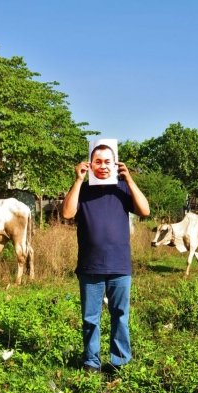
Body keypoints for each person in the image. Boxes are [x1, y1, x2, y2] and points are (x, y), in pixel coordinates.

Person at [62, 140, 150, 373]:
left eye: (107, 162)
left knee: (120, 316)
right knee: (90, 318)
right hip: (90, 267)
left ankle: (119, 361)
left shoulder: (121, 188)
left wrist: (129, 178)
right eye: (97, 161)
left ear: (115, 164)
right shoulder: (83, 190)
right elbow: (67, 213)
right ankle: (91, 362)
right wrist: (79, 179)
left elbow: (145, 210)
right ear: (90, 164)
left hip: (120, 266)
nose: (102, 166)